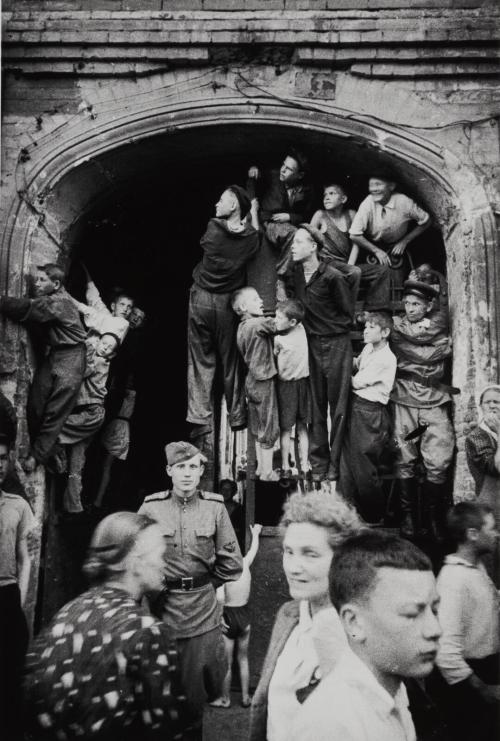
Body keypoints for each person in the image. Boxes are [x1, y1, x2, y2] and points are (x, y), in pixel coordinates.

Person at [24, 511, 187, 740]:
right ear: (134, 562)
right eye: (160, 555)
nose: (163, 564)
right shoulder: (149, 632)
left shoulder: (66, 614)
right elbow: (164, 730)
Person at [291, 530, 442, 741]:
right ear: (354, 622)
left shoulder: (395, 694)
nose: (435, 630)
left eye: (434, 610)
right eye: (411, 613)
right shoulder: (330, 725)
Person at [138, 441, 243, 739]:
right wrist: (154, 588)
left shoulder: (215, 508)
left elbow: (232, 562)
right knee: (159, 691)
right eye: (181, 467)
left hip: (202, 610)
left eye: (193, 467)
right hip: (161, 609)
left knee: (196, 695)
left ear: (201, 472)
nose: (187, 474)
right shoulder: (150, 507)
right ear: (169, 471)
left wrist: (206, 585)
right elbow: (134, 556)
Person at [249, 491, 362, 741]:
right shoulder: (289, 615)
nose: (293, 567)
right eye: (289, 552)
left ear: (343, 559)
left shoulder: (359, 632)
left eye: (310, 554)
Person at [187, 185, 260, 446]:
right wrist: (254, 213)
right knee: (231, 362)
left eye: (221, 200)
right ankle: (237, 416)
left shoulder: (214, 227)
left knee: (200, 359)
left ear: (233, 207)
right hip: (227, 303)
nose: (216, 204)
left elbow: (209, 244)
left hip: (202, 298)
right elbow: (253, 235)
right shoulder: (251, 237)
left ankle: (199, 417)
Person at [283, 225, 354, 488]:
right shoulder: (296, 273)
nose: (293, 246)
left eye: (299, 242)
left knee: (338, 408)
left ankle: (335, 465)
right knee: (315, 407)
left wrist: (329, 328)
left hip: (336, 344)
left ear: (313, 247)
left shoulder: (333, 276)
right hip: (311, 344)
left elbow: (347, 313)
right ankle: (319, 464)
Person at [0, 263, 87, 471]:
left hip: (72, 357)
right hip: (57, 354)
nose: (36, 284)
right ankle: (50, 450)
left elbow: (26, 308)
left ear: (55, 284)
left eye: (41, 280)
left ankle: (37, 457)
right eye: (36, 279)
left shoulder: (60, 303)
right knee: (36, 405)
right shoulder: (51, 300)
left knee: (55, 411)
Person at [391, 277, 455, 540]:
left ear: (429, 305)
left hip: (434, 401)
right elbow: (423, 354)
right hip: (405, 400)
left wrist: (418, 347)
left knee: (439, 459)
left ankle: (432, 516)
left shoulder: (439, 321)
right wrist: (437, 349)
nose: (410, 308)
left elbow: (418, 349)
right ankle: (408, 517)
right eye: (406, 303)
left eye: (416, 303)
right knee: (404, 455)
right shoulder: (396, 326)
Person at [433, 502, 499, 741]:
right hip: (469, 682)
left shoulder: (475, 568)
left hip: (487, 667)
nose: (496, 534)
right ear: (473, 534)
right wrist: (482, 688)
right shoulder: (454, 581)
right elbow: (446, 650)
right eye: (491, 528)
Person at [339, 312, 397, 524]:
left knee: (364, 467)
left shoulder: (386, 358)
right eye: (366, 327)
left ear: (385, 333)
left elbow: (355, 382)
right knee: (346, 465)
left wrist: (342, 371)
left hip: (370, 412)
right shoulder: (368, 348)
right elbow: (356, 365)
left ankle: (376, 514)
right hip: (356, 408)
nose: (365, 330)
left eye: (372, 327)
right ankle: (348, 514)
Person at [57, 331, 120, 514]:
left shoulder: (99, 362)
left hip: (92, 414)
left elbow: (81, 371)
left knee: (54, 428)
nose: (105, 347)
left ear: (112, 355)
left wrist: (90, 342)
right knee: (77, 463)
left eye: (109, 348)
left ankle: (55, 452)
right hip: (82, 413)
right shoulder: (94, 357)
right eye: (104, 343)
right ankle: (73, 506)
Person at [0, 436, 35, 741]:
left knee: (11, 678)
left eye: (1, 458)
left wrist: (18, 599)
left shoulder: (18, 505)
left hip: (6, 596)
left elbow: (25, 558)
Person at [310, 182, 390, 309]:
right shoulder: (320, 215)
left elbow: (356, 242)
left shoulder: (351, 214)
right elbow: (309, 241)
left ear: (343, 199)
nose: (326, 197)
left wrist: (350, 265)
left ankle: (374, 312)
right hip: (327, 264)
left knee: (381, 271)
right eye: (325, 194)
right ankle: (347, 313)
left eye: (332, 193)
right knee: (354, 272)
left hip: (347, 264)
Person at [210, 523, 263, 709]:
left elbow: (221, 597)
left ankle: (225, 699)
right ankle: (246, 697)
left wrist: (219, 617)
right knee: (243, 659)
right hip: (244, 616)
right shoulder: (245, 563)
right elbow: (253, 550)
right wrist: (256, 533)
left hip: (229, 617)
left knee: (228, 663)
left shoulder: (224, 572)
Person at [232, 287, 280, 481]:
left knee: (258, 426)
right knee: (269, 425)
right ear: (243, 307)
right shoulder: (258, 323)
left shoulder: (242, 327)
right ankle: (268, 472)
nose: (261, 301)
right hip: (264, 380)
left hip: (251, 381)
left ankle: (261, 468)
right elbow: (280, 325)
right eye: (255, 299)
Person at [349, 168, 431, 268]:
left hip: (396, 248)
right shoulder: (368, 202)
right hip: (371, 246)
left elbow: (426, 221)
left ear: (391, 186)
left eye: (378, 184)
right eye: (371, 185)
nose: (373, 189)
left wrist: (405, 241)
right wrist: (376, 250)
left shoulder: (403, 201)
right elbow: (354, 235)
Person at [274, 298, 311, 478]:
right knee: (299, 427)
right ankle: (302, 465)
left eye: (280, 318)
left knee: (287, 428)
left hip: (287, 387)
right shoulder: (301, 329)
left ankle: (287, 466)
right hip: (301, 384)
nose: (275, 321)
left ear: (293, 322)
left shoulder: (278, 340)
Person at [465, 384, 500, 526]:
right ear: (481, 406)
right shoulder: (476, 436)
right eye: (487, 402)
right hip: (493, 506)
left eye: (497, 402)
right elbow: (496, 468)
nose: (492, 406)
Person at [70, 264, 132, 343]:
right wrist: (85, 270)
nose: (125, 309)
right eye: (122, 304)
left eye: (129, 307)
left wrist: (67, 297)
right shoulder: (107, 315)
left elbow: (95, 316)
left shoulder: (124, 324)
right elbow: (95, 298)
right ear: (113, 306)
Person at [220, 478, 245, 551]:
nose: (225, 492)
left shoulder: (239, 509)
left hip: (235, 545)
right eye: (223, 489)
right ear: (220, 491)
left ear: (234, 492)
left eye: (229, 490)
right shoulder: (215, 507)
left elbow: (242, 530)